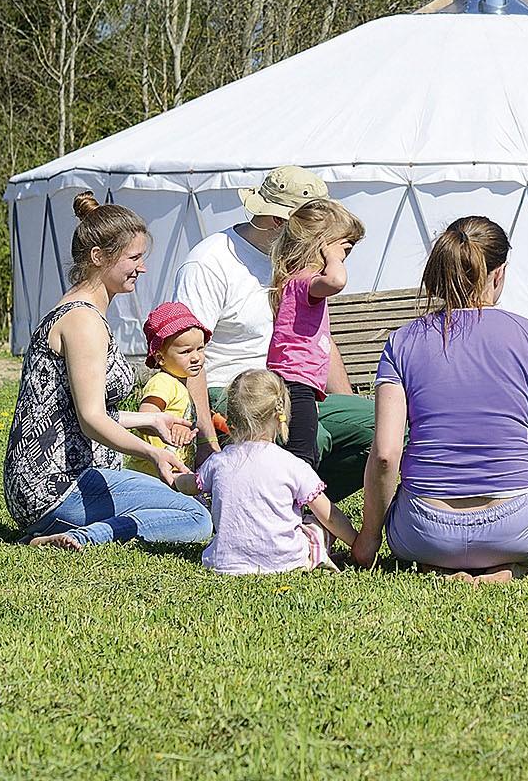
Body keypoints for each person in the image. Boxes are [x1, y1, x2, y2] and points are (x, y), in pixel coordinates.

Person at [354, 217, 528, 583]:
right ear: (499, 274)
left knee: (433, 539)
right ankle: (506, 570)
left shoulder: (401, 342)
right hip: (514, 524)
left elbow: (386, 453)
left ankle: (440, 564)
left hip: (424, 531)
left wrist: (370, 538)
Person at [3, 194, 214, 551]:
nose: (142, 268)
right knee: (197, 518)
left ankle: (67, 530)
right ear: (99, 257)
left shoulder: (81, 313)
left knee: (185, 508)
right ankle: (81, 537)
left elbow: (69, 411)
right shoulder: (83, 321)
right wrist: (153, 454)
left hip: (48, 484)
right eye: (134, 257)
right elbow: (90, 419)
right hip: (58, 486)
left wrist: (152, 421)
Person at [171, 166, 375, 498]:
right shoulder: (210, 262)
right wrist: (206, 440)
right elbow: (185, 355)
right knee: (314, 437)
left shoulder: (299, 264)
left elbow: (318, 341)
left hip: (295, 390)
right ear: (280, 222)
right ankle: (274, 510)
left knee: (384, 426)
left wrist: (349, 408)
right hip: (234, 397)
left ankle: (304, 511)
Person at [175, 369, 359, 574]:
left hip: (225, 562)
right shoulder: (293, 465)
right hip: (286, 561)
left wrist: (175, 477)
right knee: (316, 525)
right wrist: (358, 543)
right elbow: (330, 516)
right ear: (280, 415)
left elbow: (190, 485)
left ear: (231, 418)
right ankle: (314, 554)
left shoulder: (219, 461)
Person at [267, 198, 365, 471]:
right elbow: (337, 281)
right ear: (321, 245)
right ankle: (294, 508)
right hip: (294, 384)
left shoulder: (295, 281)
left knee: (300, 450)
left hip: (299, 383)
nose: (345, 259)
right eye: (345, 249)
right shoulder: (303, 282)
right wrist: (333, 258)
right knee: (300, 458)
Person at [126, 302, 227, 478]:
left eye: (200, 348)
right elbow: (145, 418)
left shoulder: (181, 383)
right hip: (152, 476)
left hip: (170, 473)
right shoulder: (163, 383)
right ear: (161, 357)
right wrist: (172, 429)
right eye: (186, 351)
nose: (196, 357)